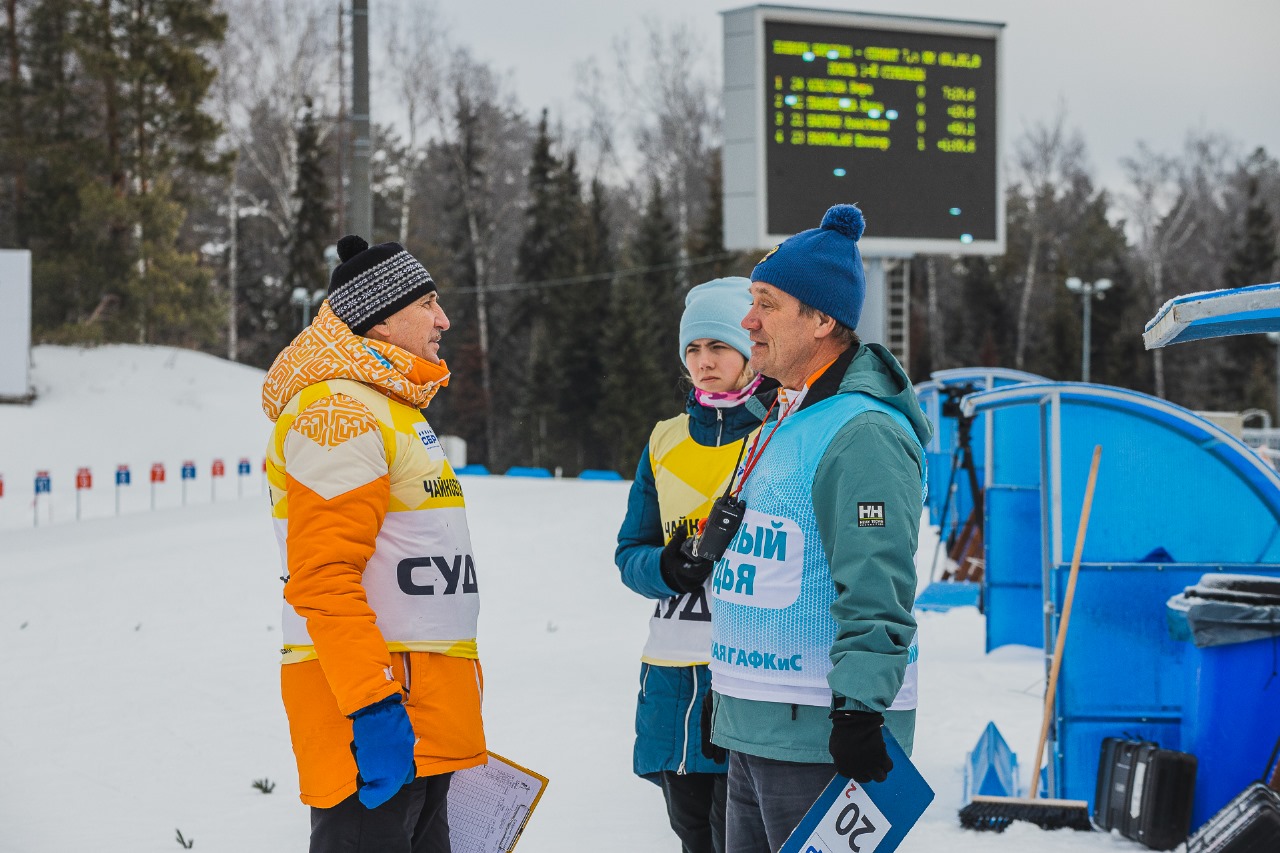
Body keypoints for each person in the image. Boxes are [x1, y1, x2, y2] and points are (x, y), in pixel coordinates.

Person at [702, 205, 933, 852]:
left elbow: (877, 583)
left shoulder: (862, 432)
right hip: (757, 723)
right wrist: (727, 702)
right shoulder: (787, 418)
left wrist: (860, 710)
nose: (748, 320)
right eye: (751, 302)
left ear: (822, 319)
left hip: (819, 733)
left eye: (767, 304)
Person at [262, 235, 485, 853]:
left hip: (421, 709)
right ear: (381, 318)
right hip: (378, 713)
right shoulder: (339, 412)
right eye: (428, 304)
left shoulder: (390, 407)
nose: (443, 320)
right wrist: (372, 708)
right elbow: (324, 576)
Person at [615, 277, 773, 853]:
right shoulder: (664, 440)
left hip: (753, 670)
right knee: (692, 834)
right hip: (675, 675)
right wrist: (667, 566)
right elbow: (629, 553)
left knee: (742, 834)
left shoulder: (779, 433)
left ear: (749, 350)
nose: (703, 363)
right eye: (692, 350)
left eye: (718, 347)